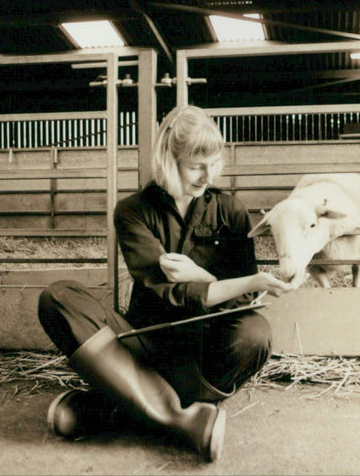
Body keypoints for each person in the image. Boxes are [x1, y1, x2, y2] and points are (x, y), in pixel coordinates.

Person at [37, 105, 294, 461]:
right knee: (58, 297)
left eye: (214, 163)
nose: (208, 176)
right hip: (141, 345)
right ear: (168, 161)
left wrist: (200, 276)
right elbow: (165, 289)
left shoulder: (232, 210)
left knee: (255, 334)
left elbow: (244, 301)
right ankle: (178, 418)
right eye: (196, 166)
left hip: (203, 355)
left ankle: (116, 406)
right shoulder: (133, 211)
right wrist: (219, 285)